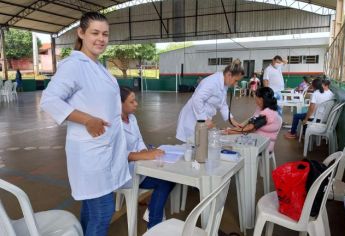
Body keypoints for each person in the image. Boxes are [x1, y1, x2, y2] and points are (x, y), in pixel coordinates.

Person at [40, 12, 131, 235]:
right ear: (81, 33)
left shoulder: (98, 66)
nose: (101, 39)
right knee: (102, 212)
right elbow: (49, 100)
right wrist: (87, 120)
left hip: (104, 147)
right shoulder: (74, 65)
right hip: (90, 151)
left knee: (91, 209)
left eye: (105, 34)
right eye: (95, 33)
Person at [120, 86, 175, 229]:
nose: (136, 104)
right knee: (165, 182)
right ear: (119, 103)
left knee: (170, 175)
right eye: (132, 102)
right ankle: (154, 226)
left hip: (137, 166)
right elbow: (118, 154)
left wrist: (146, 151)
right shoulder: (113, 123)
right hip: (123, 173)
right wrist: (144, 156)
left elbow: (138, 140)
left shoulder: (131, 118)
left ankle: (152, 211)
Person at [176, 59, 245, 142]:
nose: (235, 84)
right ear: (229, 74)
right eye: (236, 80)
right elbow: (197, 99)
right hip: (192, 118)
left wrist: (232, 120)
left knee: (200, 146)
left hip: (202, 119)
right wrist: (204, 119)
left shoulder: (224, 84)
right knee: (193, 147)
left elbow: (222, 104)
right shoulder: (212, 82)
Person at [225, 87, 282, 152]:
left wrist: (231, 132)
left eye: (256, 97)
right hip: (257, 139)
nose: (255, 99)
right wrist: (232, 130)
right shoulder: (262, 108)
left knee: (231, 144)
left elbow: (250, 128)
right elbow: (251, 120)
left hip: (263, 144)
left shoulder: (268, 113)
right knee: (232, 140)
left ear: (261, 99)